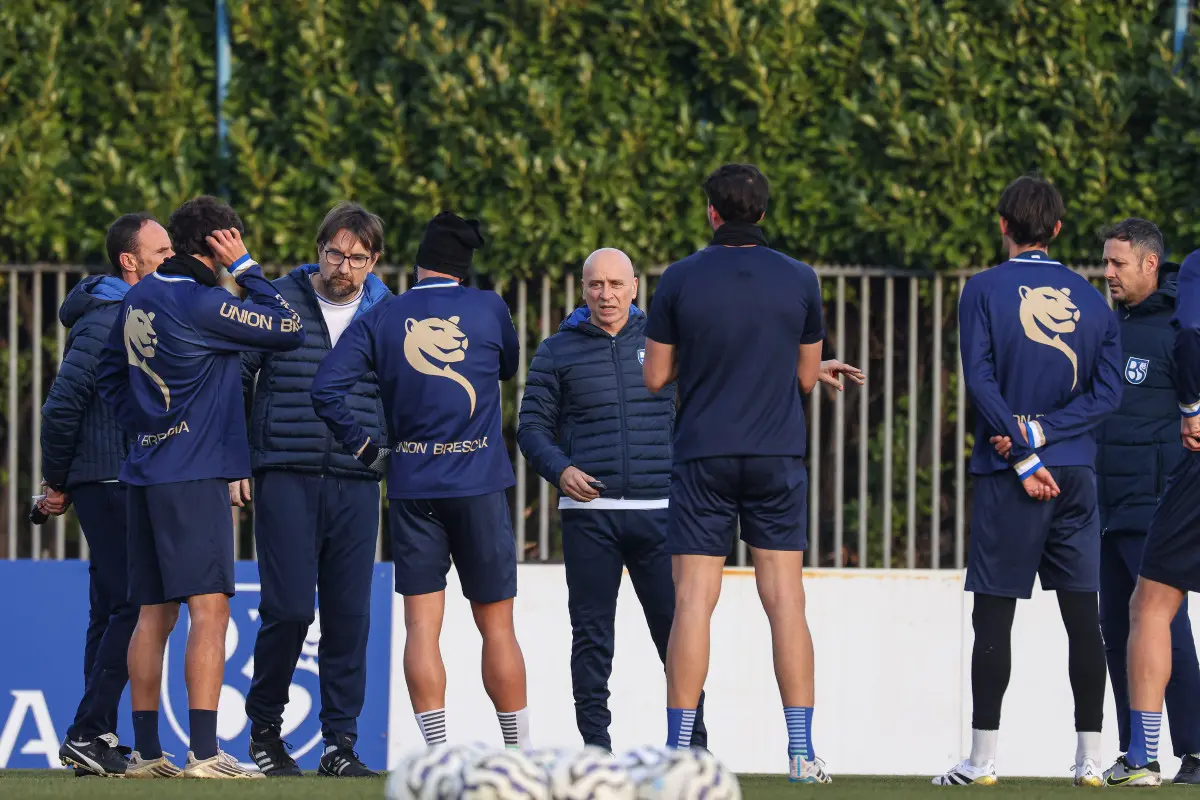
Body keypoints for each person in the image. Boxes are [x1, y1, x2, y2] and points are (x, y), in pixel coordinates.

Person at [642, 163, 863, 784]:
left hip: (703, 457)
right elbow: (801, 376)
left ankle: (678, 757)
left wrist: (704, 354)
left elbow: (656, 377)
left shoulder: (680, 278)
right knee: (786, 603)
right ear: (762, 213)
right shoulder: (800, 278)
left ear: (712, 213)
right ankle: (800, 754)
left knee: (692, 604)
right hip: (775, 457)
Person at [95, 195, 305, 779]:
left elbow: (110, 374)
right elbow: (286, 327)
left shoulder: (139, 297)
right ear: (218, 243)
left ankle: (145, 753)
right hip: (192, 476)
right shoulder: (203, 301)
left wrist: (148, 425)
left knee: (152, 615)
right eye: (231, 240)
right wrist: (247, 270)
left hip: (146, 470)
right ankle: (206, 753)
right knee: (210, 611)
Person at [312, 211, 531, 750]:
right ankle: (519, 754)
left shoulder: (386, 315)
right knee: (497, 628)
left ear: (417, 265)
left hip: (412, 487)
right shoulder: (488, 307)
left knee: (421, 629)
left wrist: (364, 446)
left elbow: (325, 390)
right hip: (478, 484)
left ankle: (436, 754)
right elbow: (508, 366)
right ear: (464, 266)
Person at [934, 175, 1122, 787]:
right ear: (1059, 229)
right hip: (1077, 474)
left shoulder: (983, 289)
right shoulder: (1094, 302)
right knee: (1082, 616)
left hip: (1010, 475)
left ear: (1002, 225)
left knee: (993, 616)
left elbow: (979, 380)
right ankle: (1090, 760)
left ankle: (981, 762)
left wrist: (1020, 446)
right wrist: (1044, 435)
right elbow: (1109, 392)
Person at [516, 247, 710, 752]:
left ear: (635, 288)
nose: (606, 295)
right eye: (596, 285)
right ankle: (596, 749)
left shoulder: (665, 343)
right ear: (582, 289)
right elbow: (531, 427)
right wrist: (561, 471)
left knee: (677, 637)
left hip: (661, 515)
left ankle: (692, 748)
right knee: (592, 639)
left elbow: (721, 388)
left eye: (616, 284)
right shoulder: (556, 350)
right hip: (589, 518)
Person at [239, 202, 391, 778]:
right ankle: (265, 731)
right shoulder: (276, 299)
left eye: (356, 257)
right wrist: (241, 460)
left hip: (356, 481)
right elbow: (238, 377)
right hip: (286, 472)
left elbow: (403, 390)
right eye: (334, 252)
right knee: (288, 609)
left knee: (350, 616)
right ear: (318, 248)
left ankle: (339, 745)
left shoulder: (388, 313)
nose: (342, 266)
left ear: (374, 261)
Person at [39, 213, 172, 777]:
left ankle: (97, 735)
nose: (170, 257)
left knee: (110, 608)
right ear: (130, 260)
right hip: (110, 480)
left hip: (115, 478)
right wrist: (58, 478)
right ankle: (88, 730)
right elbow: (62, 404)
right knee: (134, 607)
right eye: (161, 250)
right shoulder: (109, 316)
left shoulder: (126, 311)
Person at [1092, 220, 1200, 784]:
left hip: (1157, 503)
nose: (1107, 272)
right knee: (1117, 627)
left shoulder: (1179, 330)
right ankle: (1139, 749)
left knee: (1164, 628)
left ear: (1150, 264)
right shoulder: (1107, 327)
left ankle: (1196, 749)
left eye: (1119, 263)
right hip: (1106, 505)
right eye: (1106, 262)